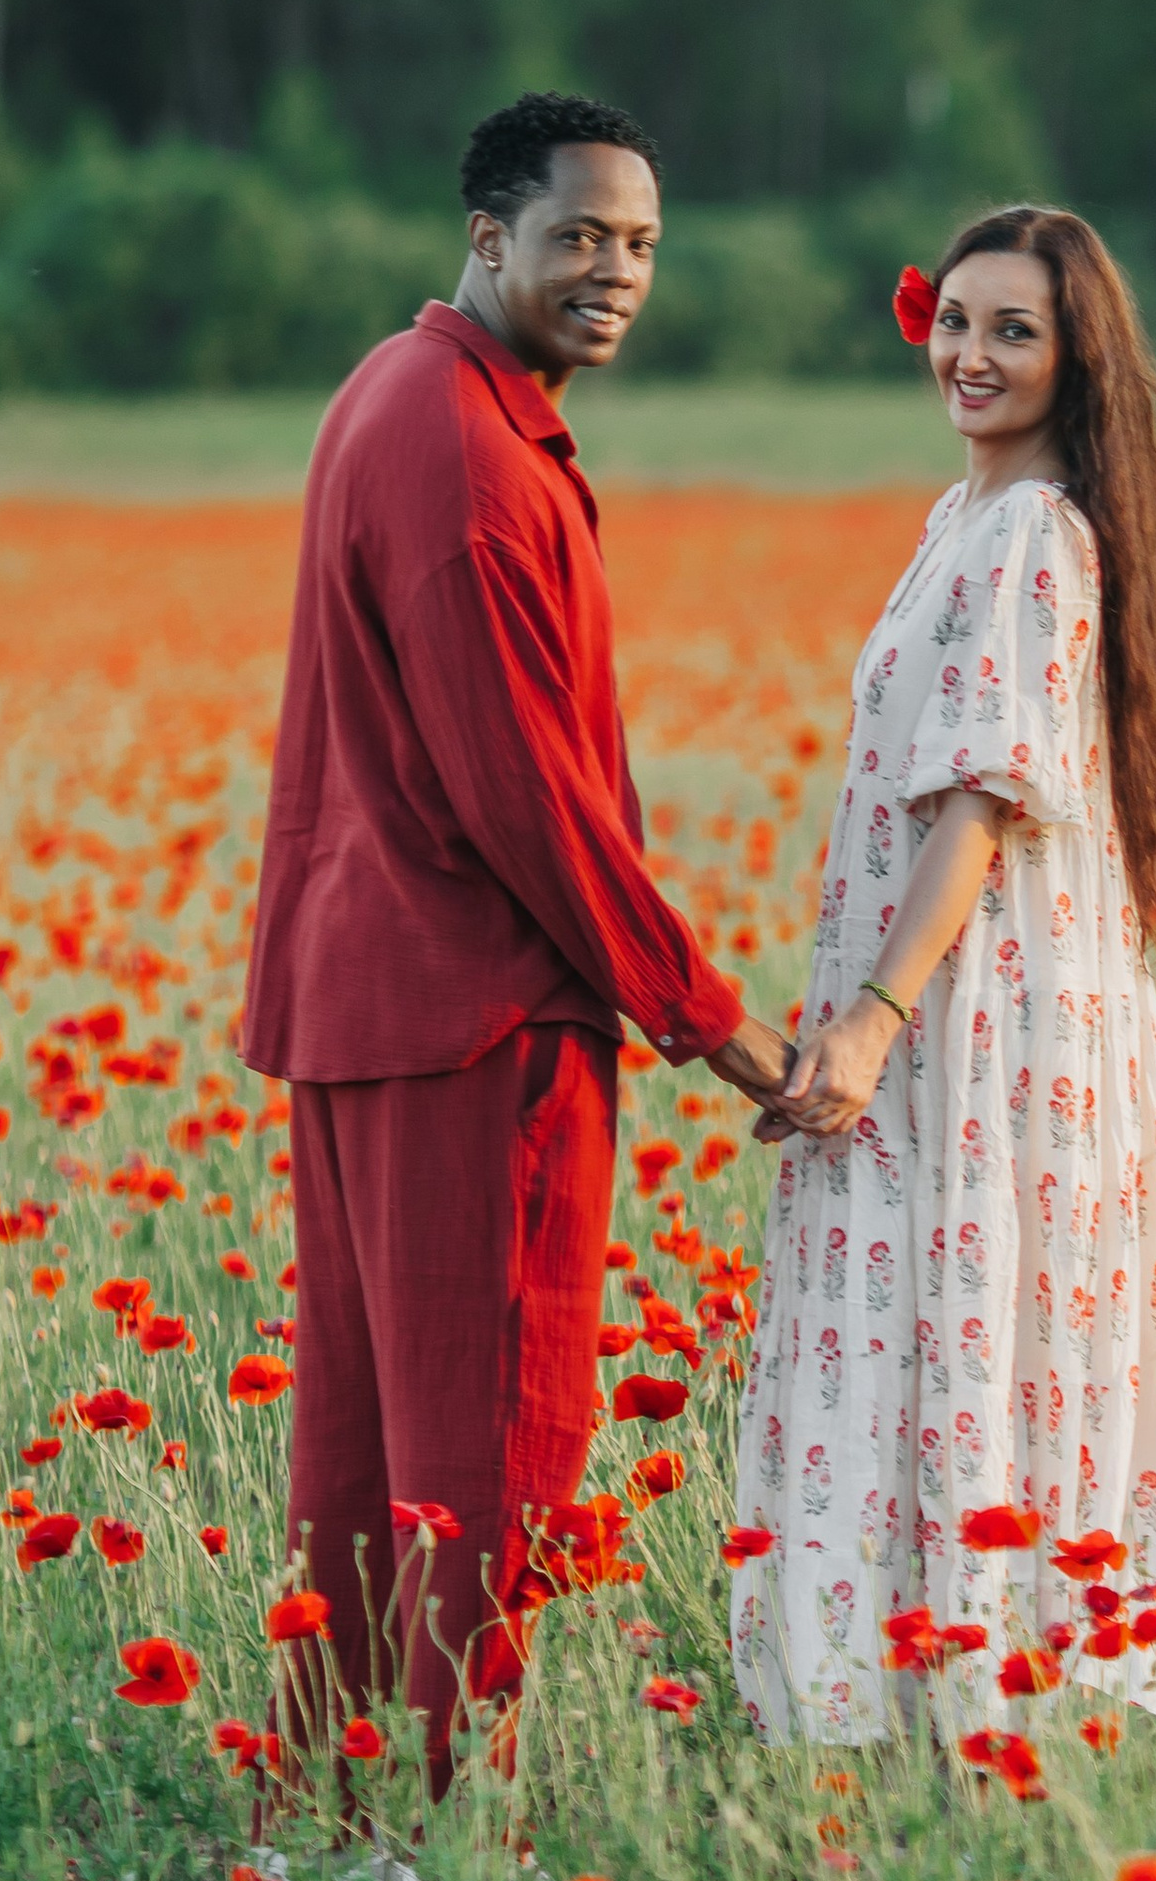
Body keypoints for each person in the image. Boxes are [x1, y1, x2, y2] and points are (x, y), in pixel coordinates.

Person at [243, 91, 790, 1779]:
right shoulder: (472, 454)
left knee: (362, 1472)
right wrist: (713, 1019)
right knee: (485, 1469)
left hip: (365, 999)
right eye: (578, 237)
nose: (615, 272)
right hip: (476, 1015)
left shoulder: (396, 392)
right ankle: (433, 1849)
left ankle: (317, 1846)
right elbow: (526, 795)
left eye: (641, 245)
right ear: (489, 238)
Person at [730, 204, 1156, 1743]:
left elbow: (981, 797)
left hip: (978, 1010)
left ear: (1073, 356)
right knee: (950, 1314)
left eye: (1013, 331)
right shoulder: (964, 517)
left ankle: (990, 1696)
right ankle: (947, 1689)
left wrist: (874, 1016)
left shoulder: (1036, 533)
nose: (970, 354)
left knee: (974, 1306)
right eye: (954, 320)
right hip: (956, 988)